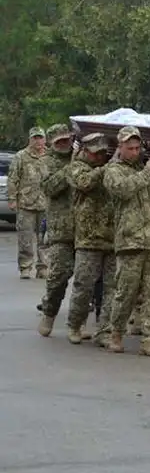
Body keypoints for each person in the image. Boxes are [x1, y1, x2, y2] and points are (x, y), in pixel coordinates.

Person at [102, 126, 150, 357]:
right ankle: (116, 332)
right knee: (125, 292)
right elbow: (122, 190)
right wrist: (148, 172)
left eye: (138, 148)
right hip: (130, 242)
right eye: (130, 148)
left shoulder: (147, 167)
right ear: (120, 147)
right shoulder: (113, 170)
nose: (135, 152)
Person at [64, 133, 117, 347]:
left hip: (113, 237)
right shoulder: (76, 167)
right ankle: (75, 325)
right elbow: (85, 183)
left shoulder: (110, 167)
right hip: (88, 238)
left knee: (112, 289)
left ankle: (104, 330)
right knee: (83, 285)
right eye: (96, 154)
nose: (100, 157)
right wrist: (108, 167)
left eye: (103, 153)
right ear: (85, 152)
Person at [37, 125, 75, 338]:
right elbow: (50, 187)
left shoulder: (80, 156)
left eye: (66, 140)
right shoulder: (46, 162)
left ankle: (78, 325)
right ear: (51, 143)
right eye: (59, 141)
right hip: (60, 230)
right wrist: (72, 166)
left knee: (89, 281)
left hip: (87, 229)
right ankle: (49, 313)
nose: (64, 144)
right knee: (59, 276)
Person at [8, 126, 48, 279]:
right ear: (30, 139)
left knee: (44, 238)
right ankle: (25, 266)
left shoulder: (50, 156)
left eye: (40, 138)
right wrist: (12, 199)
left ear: (45, 139)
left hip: (45, 203)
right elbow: (13, 179)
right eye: (35, 138)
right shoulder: (21, 156)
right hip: (26, 204)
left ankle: (43, 267)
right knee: (25, 238)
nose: (38, 141)